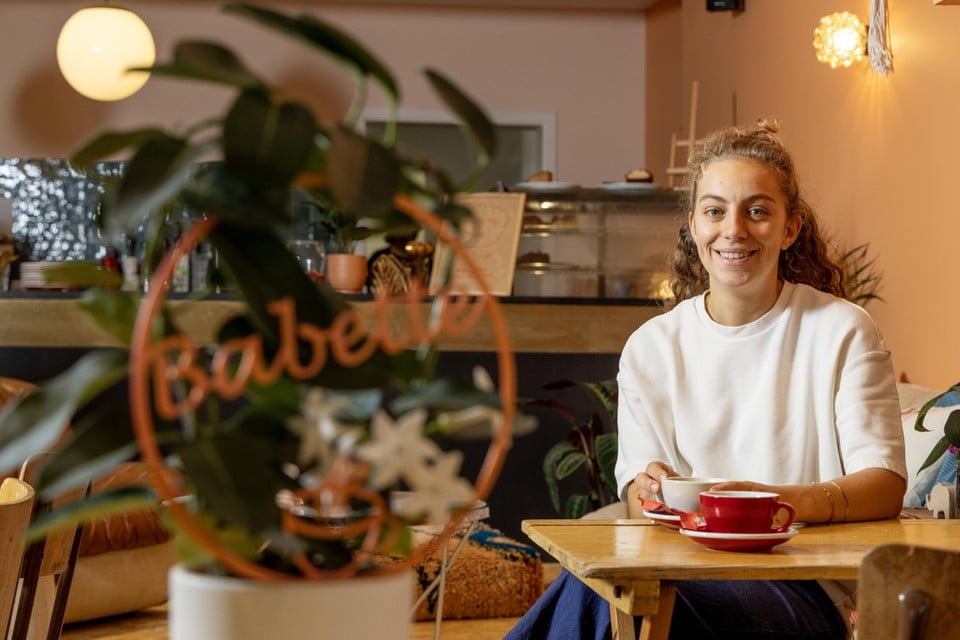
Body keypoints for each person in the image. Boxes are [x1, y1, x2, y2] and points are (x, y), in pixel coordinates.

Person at [506, 119, 906, 640]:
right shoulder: (653, 346)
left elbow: (885, 485)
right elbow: (637, 494)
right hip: (676, 568)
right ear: (694, 225)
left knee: (603, 596)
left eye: (757, 211)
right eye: (716, 211)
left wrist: (772, 504)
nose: (734, 229)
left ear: (790, 228)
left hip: (804, 587)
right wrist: (645, 487)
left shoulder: (842, 330)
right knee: (600, 589)